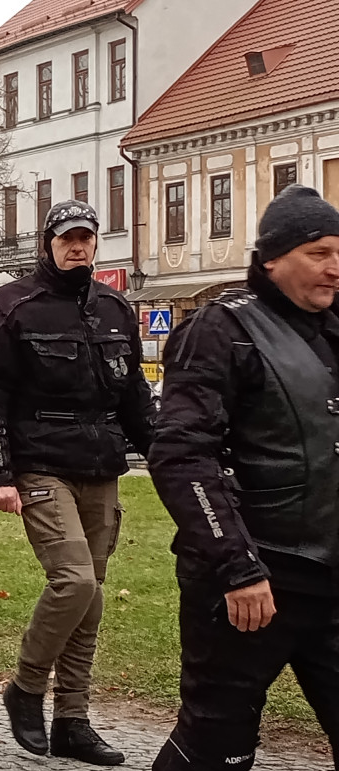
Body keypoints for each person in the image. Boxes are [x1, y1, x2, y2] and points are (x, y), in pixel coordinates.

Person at [148, 185, 339, 771]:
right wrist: (237, 565)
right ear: (273, 258)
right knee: (216, 747)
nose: (335, 267)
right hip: (251, 579)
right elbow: (183, 456)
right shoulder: (220, 330)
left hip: (330, 580)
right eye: (319, 253)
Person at [0, 200, 156, 766]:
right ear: (48, 242)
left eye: (87, 239)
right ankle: (24, 688)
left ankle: (72, 719)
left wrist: (170, 457)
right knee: (73, 582)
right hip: (40, 463)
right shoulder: (11, 306)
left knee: (92, 597)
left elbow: (135, 400)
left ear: (96, 245)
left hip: (100, 467)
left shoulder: (116, 308)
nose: (78, 247)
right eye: (68, 238)